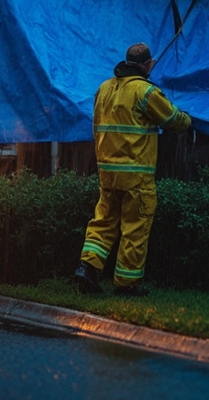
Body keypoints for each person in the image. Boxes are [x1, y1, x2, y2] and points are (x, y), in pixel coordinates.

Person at [73, 42, 191, 296]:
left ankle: (87, 269)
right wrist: (188, 119)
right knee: (135, 229)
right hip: (136, 177)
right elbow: (172, 119)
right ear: (147, 65)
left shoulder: (104, 89)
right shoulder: (146, 91)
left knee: (103, 223)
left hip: (108, 174)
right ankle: (126, 285)